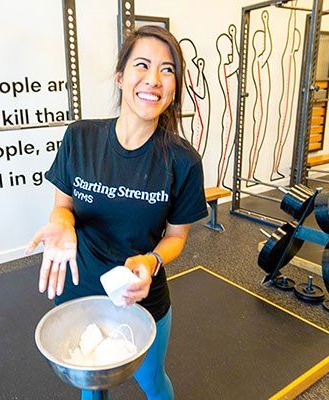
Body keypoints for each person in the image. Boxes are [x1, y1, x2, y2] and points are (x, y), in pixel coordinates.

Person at [26, 25, 207, 400]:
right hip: (80, 293)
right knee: (91, 390)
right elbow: (63, 206)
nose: (153, 79)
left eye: (167, 70)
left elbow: (176, 237)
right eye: (142, 65)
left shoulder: (183, 161)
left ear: (174, 90)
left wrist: (152, 260)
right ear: (121, 77)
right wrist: (62, 224)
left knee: (153, 382)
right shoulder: (80, 138)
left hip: (141, 296)